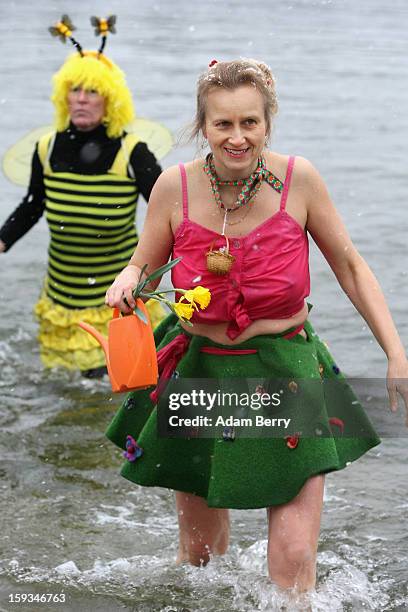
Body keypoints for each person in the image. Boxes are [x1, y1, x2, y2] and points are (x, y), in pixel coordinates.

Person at [104, 58, 408, 595]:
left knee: (292, 563)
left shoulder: (301, 181)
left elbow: (353, 269)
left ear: (268, 121)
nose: (238, 137)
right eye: (223, 124)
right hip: (200, 372)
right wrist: (127, 281)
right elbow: (143, 264)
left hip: (284, 369)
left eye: (250, 122)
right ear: (204, 126)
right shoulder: (173, 187)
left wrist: (396, 352)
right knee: (199, 561)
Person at [0, 15, 164, 376]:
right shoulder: (46, 148)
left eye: (92, 91)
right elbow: (32, 206)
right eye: (74, 90)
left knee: (115, 386)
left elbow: (169, 213)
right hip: (61, 298)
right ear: (63, 96)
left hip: (115, 297)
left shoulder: (132, 152)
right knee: (63, 388)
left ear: (111, 99)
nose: (82, 99)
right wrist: (2, 241)